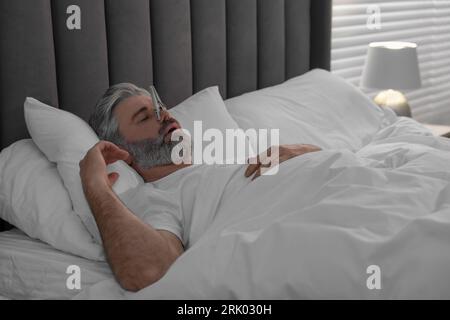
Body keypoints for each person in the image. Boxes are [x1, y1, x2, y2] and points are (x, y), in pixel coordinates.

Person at [80, 83, 321, 291]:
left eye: (161, 108)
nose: (164, 115)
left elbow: (330, 162)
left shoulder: (216, 170)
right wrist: (95, 186)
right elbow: (150, 272)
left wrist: (300, 151)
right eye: (145, 117)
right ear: (122, 152)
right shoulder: (156, 197)